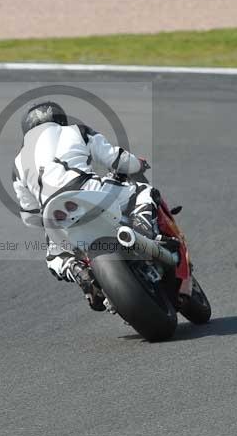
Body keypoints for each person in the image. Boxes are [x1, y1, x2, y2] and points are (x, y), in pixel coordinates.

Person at [12, 101, 164, 311]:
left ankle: (77, 270)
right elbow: (116, 159)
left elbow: (29, 216)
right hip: (88, 190)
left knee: (54, 256)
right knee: (142, 192)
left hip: (53, 213)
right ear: (60, 120)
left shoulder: (18, 163)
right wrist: (138, 163)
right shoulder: (76, 131)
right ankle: (144, 232)